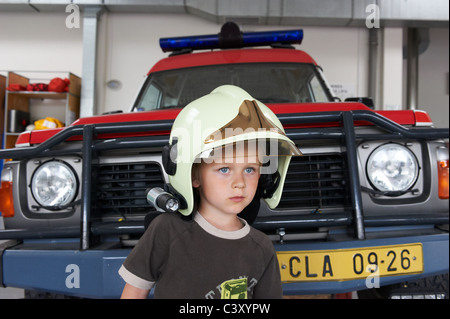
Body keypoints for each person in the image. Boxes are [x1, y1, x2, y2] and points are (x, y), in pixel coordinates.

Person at [118, 85, 302, 299]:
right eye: (224, 169)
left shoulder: (261, 248)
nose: (239, 183)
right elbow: (134, 292)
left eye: (250, 169)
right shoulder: (166, 231)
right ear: (194, 175)